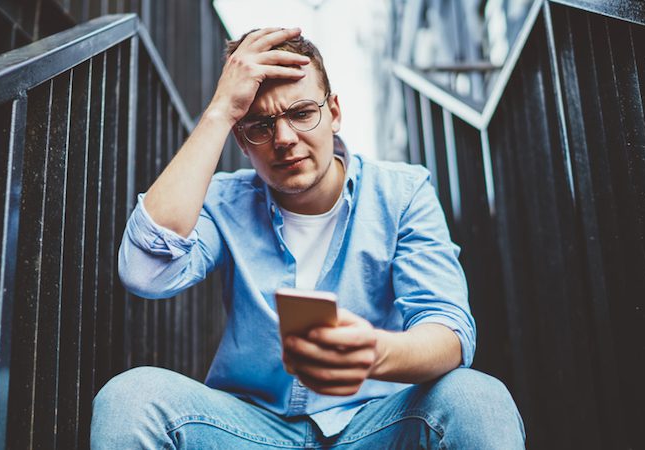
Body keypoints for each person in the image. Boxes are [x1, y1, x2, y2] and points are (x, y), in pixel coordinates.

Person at [91, 27, 525, 449]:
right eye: (259, 126)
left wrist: (377, 352)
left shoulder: (401, 193)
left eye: (301, 113)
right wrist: (221, 110)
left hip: (376, 425)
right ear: (241, 140)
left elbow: (449, 331)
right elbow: (145, 272)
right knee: (131, 397)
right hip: (249, 430)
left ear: (333, 112)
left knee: (476, 397)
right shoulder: (225, 201)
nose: (283, 139)